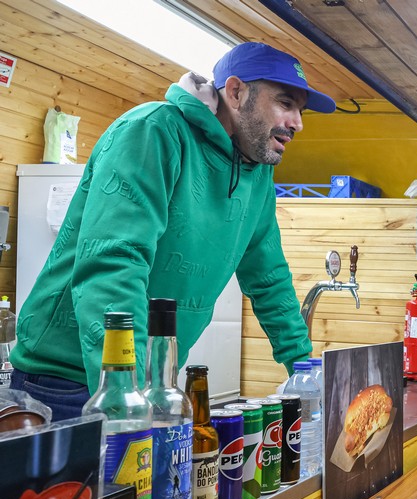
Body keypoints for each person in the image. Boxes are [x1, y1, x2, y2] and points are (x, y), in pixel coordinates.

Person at [11, 42, 336, 422]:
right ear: (235, 92)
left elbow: (269, 278)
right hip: (68, 384)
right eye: (285, 103)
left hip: (146, 384)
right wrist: (126, 390)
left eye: (301, 110)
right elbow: (115, 264)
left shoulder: (257, 174)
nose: (297, 122)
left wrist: (304, 369)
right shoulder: (152, 132)